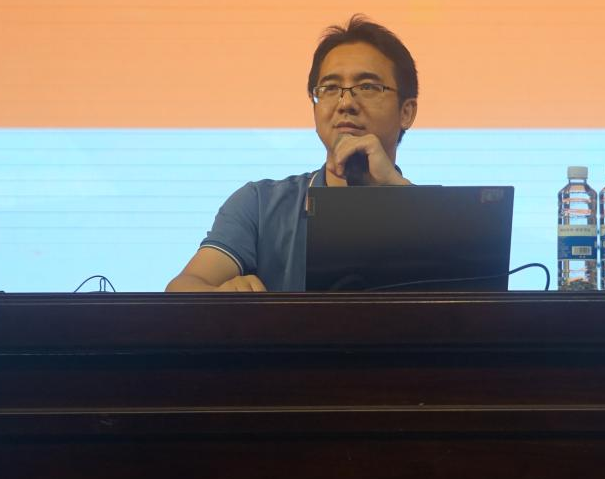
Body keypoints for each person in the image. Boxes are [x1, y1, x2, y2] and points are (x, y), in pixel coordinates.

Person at [165, 15, 419, 293]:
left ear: (406, 112)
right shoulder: (260, 205)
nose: (346, 102)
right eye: (330, 88)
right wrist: (222, 297)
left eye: (367, 87)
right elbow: (183, 288)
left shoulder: (436, 220)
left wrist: (399, 194)